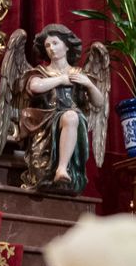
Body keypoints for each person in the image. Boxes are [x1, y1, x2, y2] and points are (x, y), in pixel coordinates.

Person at [14, 25, 107, 194]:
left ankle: (62, 169)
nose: (51, 48)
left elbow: (99, 102)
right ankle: (55, 171)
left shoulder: (79, 73)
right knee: (69, 118)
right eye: (47, 45)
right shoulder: (41, 71)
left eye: (55, 43)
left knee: (71, 116)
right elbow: (35, 86)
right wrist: (61, 79)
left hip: (72, 119)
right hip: (46, 120)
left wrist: (88, 84)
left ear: (67, 45)